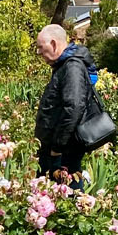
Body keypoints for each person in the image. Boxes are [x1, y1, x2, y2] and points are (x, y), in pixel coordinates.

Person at [33, 24, 99, 190]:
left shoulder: (72, 67)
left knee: (68, 194)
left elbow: (74, 107)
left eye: (41, 47)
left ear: (54, 44)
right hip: (57, 148)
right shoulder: (64, 66)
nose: (39, 52)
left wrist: (57, 148)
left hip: (63, 151)